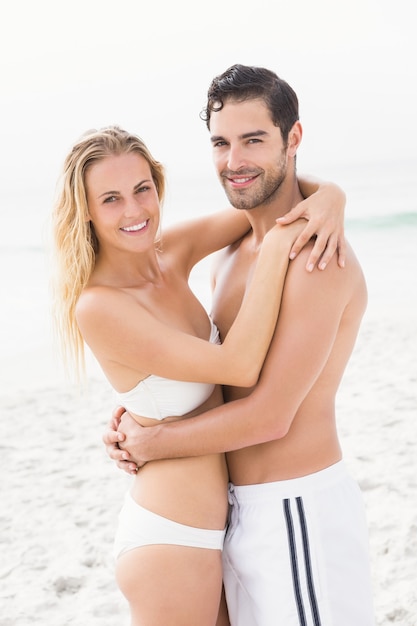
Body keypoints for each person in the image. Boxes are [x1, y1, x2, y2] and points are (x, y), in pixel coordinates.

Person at [105, 65, 375, 626]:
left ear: (293, 138)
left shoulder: (316, 260)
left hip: (295, 509)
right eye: (222, 143)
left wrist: (154, 443)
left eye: (254, 140)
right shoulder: (232, 254)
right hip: (233, 514)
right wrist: (144, 410)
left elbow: (272, 416)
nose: (235, 161)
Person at [51, 124, 346, 626]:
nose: (134, 211)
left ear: (158, 186)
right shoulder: (98, 306)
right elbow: (239, 364)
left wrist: (332, 196)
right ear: (86, 213)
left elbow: (265, 203)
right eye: (111, 199)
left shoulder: (167, 255)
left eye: (143, 189)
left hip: (221, 528)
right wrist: (276, 250)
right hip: (171, 537)